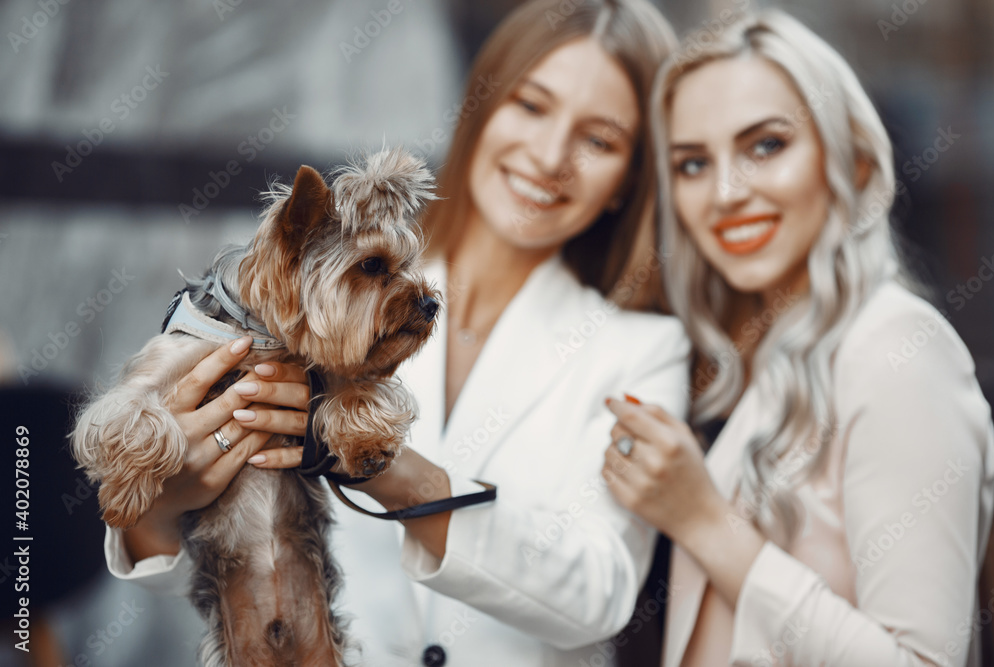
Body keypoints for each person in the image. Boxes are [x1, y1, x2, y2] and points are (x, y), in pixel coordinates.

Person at [104, 1, 691, 665]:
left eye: (600, 140)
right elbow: (175, 581)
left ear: (628, 180)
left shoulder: (642, 351)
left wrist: (382, 466)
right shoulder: (314, 294)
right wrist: (160, 505)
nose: (551, 154)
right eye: (531, 104)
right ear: (483, 103)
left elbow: (601, 598)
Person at [601, 9, 994, 667]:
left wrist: (703, 519)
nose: (726, 192)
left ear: (858, 165)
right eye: (694, 163)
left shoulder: (899, 349)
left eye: (766, 145)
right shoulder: (753, 358)